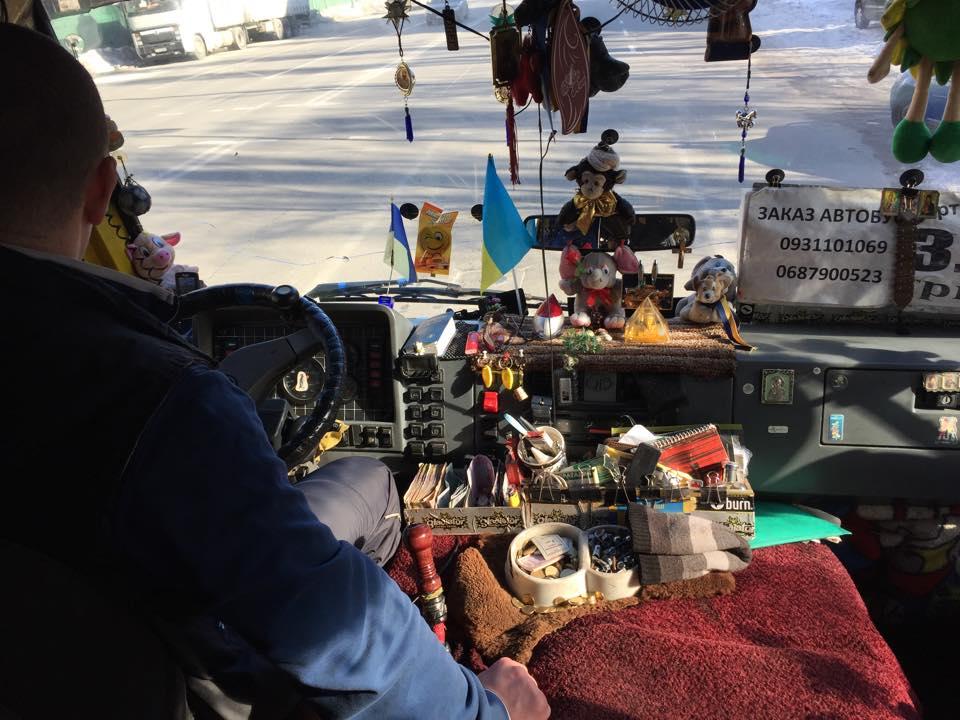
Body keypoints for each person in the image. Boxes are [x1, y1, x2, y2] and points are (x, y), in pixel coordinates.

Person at [0, 21, 550, 720]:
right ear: (100, 190)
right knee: (374, 480)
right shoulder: (156, 400)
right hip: (190, 673)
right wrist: (487, 709)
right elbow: (335, 629)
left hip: (74, 651)